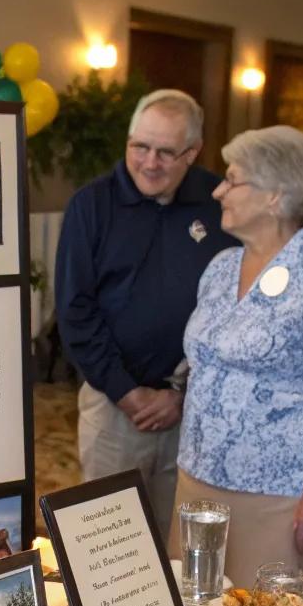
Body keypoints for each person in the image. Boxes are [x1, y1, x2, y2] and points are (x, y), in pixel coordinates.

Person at [169, 126, 303, 587]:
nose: (218, 190)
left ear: (276, 197)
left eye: (232, 180)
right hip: (198, 472)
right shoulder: (221, 266)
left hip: (275, 490)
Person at [56, 90, 234, 542]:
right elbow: (75, 311)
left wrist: (181, 393)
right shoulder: (90, 205)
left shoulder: (219, 205)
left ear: (191, 153)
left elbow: (231, 310)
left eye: (166, 152)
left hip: (192, 410)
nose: (150, 162)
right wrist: (127, 392)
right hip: (115, 407)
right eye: (140, 147)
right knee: (110, 543)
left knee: (181, 544)